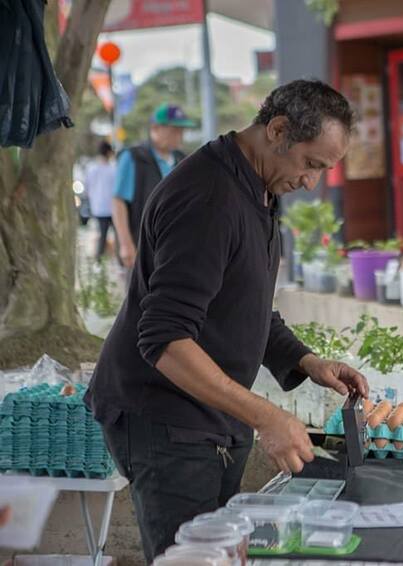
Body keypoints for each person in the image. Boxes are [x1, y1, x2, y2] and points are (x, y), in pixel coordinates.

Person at [84, 79, 367, 562]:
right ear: (277, 130)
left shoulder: (258, 187)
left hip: (212, 417)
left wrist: (307, 360)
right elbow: (165, 337)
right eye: (311, 164)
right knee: (193, 557)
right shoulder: (209, 198)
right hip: (165, 419)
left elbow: (243, 301)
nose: (311, 182)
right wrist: (265, 416)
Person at [112, 103, 193, 269]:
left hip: (175, 248)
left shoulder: (183, 160)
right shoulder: (133, 157)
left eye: (182, 131)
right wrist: (126, 244)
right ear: (155, 128)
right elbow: (118, 202)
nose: (179, 136)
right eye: (174, 130)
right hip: (142, 246)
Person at [84, 140, 117, 260]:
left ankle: (99, 260)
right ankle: (116, 261)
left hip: (98, 207)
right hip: (112, 208)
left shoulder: (91, 168)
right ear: (109, 152)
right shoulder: (113, 169)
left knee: (102, 235)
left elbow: (86, 188)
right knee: (118, 235)